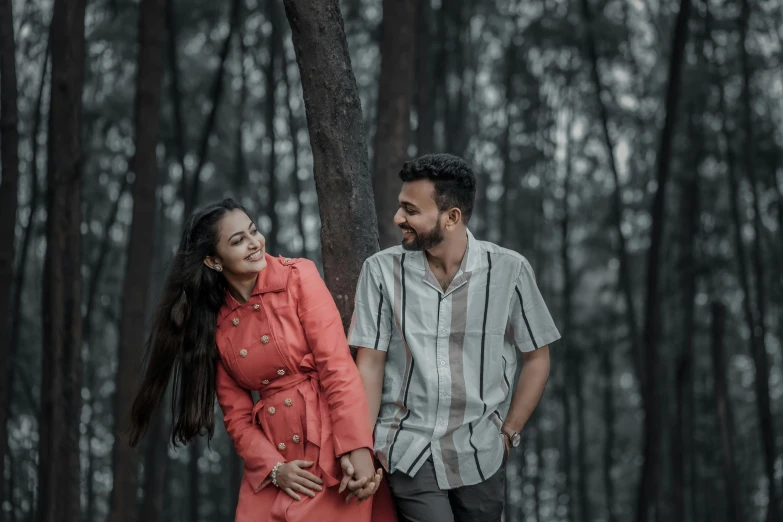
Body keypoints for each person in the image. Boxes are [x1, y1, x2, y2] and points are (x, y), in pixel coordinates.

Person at [129, 198, 395, 522]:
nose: (254, 243)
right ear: (213, 261)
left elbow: (337, 368)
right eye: (238, 240)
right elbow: (236, 417)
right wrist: (274, 468)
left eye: (253, 231)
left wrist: (357, 448)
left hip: (328, 444)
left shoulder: (298, 276)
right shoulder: (213, 323)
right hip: (274, 461)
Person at [348, 154, 561, 522]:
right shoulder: (380, 271)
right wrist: (362, 447)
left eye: (410, 210)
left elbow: (537, 357)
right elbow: (369, 362)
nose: (399, 219)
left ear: (451, 217)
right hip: (407, 450)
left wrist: (508, 433)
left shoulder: (510, 271)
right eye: (401, 207)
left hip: (481, 453)